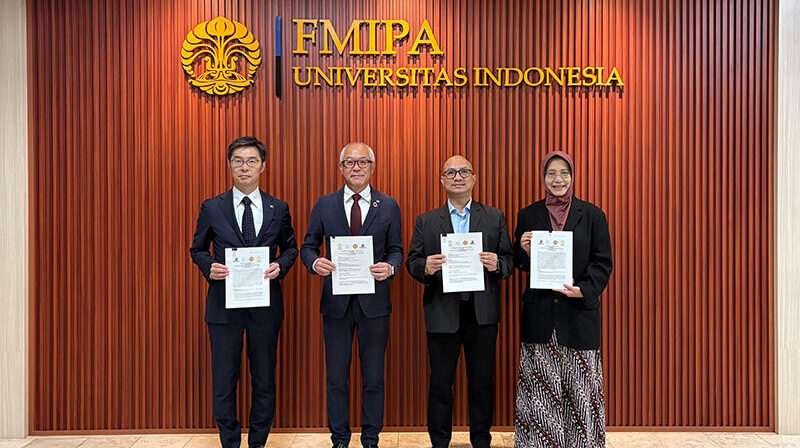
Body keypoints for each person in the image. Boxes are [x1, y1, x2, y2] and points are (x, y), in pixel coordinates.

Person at [189, 136, 298, 448]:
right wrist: (209, 267)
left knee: (264, 376)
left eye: (251, 161)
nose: (245, 167)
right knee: (225, 378)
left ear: (263, 166)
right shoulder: (212, 207)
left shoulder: (279, 207)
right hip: (224, 304)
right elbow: (197, 249)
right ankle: (230, 441)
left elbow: (290, 247)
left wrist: (281, 265)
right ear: (229, 165)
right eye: (238, 160)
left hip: (265, 304)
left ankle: (259, 440)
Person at [300, 142, 403, 448]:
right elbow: (308, 246)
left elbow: (397, 249)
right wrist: (314, 262)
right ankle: (340, 439)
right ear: (340, 168)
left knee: (373, 378)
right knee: (336, 379)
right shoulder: (325, 204)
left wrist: (391, 267)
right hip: (336, 305)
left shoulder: (388, 205)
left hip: (375, 306)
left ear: (373, 167)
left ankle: (371, 439)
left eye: (363, 162)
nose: (356, 168)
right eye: (350, 162)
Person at [406, 155, 513, 448]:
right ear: (442, 180)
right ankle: (439, 442)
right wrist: (425, 267)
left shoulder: (494, 217)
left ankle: (481, 440)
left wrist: (497, 264)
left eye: (464, 171)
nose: (457, 177)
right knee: (441, 384)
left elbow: (510, 259)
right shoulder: (426, 221)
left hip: (482, 313)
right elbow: (412, 262)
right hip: (442, 312)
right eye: (450, 172)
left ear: (474, 178)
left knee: (482, 383)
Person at [513, 151, 613, 448]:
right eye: (551, 173)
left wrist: (584, 289)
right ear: (543, 177)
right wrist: (523, 248)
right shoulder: (528, 214)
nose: (557, 179)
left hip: (579, 315)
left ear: (573, 176)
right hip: (540, 316)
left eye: (564, 173)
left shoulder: (593, 214)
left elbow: (603, 262)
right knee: (541, 390)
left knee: (579, 389)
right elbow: (518, 261)